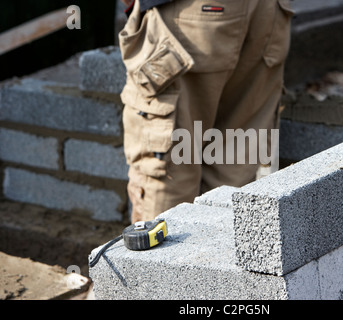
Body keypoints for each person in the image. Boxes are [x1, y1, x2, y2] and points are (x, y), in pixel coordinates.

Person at [119, 0, 293, 223]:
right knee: (237, 167)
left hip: (188, 13)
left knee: (170, 185)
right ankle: (223, 255)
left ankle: (168, 257)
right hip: (268, 11)